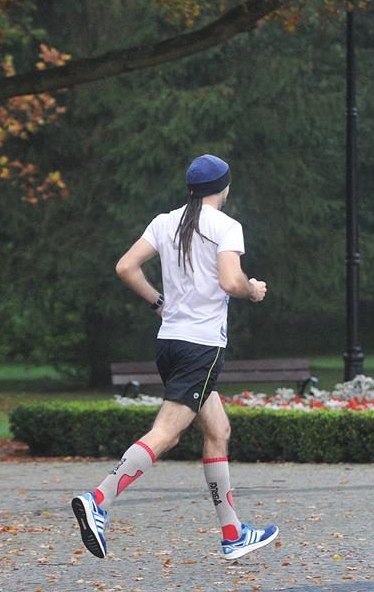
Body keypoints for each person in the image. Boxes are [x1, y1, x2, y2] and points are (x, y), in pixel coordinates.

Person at [71, 153, 279, 561]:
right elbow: (230, 281)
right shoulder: (226, 226)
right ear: (224, 188)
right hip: (201, 348)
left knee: (218, 429)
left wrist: (157, 303)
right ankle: (98, 499)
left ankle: (233, 533)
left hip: (169, 344)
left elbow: (125, 267)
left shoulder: (165, 221)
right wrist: (252, 290)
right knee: (166, 433)